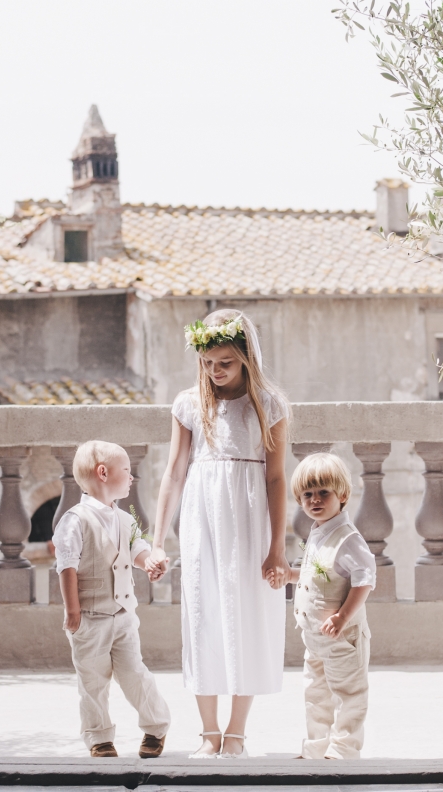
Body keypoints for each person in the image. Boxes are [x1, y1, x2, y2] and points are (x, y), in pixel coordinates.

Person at [145, 310, 290, 759]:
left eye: (226, 361)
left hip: (249, 520)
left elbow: (276, 479)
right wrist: (156, 541)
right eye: (209, 362)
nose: (216, 370)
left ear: (246, 356)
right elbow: (173, 473)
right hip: (202, 518)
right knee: (203, 615)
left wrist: (277, 549)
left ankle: (237, 732)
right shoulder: (190, 404)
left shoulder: (270, 405)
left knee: (246, 615)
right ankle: (208, 732)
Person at [52, 440, 171, 759]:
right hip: (89, 617)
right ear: (102, 473)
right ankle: (99, 735)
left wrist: (148, 562)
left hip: (123, 615)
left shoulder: (125, 519)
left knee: (135, 671)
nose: (132, 477)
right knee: (92, 679)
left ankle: (156, 725)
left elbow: (136, 549)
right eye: (127, 470)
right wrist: (72, 609)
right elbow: (67, 566)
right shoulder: (74, 519)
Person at [268, 452, 375, 759]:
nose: (314, 500)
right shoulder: (318, 531)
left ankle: (343, 749)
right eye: (307, 494)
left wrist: (343, 616)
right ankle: (316, 747)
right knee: (316, 694)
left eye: (323, 492)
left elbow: (363, 580)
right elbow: (322, 573)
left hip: (343, 640)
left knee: (349, 695)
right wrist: (290, 574)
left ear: (342, 495)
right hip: (315, 640)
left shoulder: (348, 538)